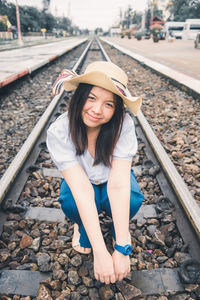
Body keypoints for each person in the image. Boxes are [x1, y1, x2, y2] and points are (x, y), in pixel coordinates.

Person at [46, 61, 144, 284]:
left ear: (117, 109)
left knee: (132, 199)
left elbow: (119, 184)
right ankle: (81, 226)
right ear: (79, 97)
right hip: (82, 183)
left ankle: (117, 228)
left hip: (112, 180)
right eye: (91, 98)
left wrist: (121, 246)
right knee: (71, 202)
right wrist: (101, 252)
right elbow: (80, 188)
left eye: (108, 104)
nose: (97, 110)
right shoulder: (60, 131)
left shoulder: (123, 125)